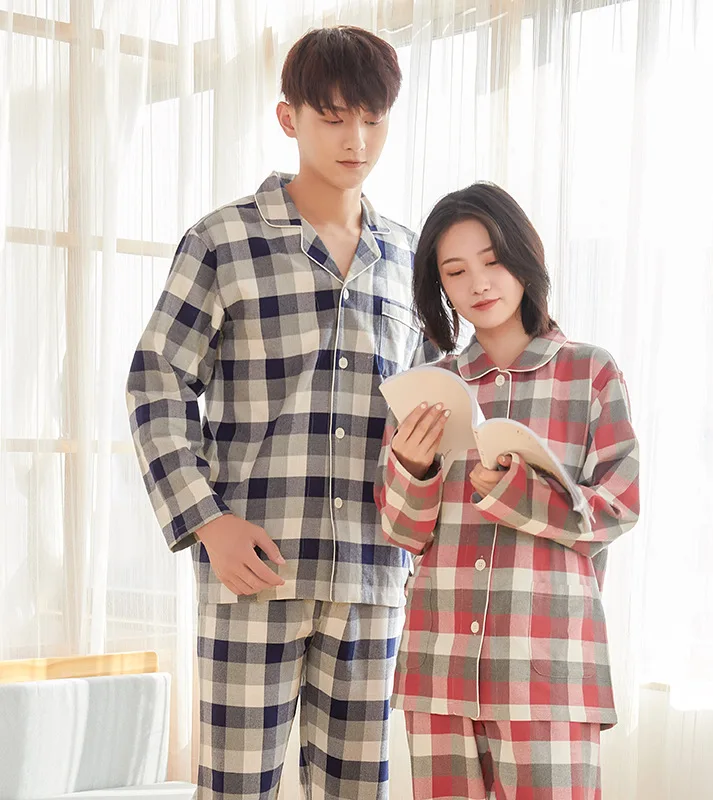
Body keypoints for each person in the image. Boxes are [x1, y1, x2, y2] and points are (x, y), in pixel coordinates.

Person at [127, 26, 434, 800]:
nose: (356, 139)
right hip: (254, 568)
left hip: (371, 574)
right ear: (288, 117)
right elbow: (157, 381)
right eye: (333, 118)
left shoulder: (409, 258)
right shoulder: (222, 241)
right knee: (237, 789)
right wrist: (208, 521)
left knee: (357, 791)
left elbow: (434, 411)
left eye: (373, 118)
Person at [374, 182, 640, 800]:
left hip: (546, 669)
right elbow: (403, 532)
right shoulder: (428, 386)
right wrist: (412, 468)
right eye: (455, 271)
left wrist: (520, 494)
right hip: (440, 668)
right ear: (440, 286)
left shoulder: (590, 372)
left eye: (492, 260)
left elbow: (618, 507)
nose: (478, 283)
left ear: (524, 257)